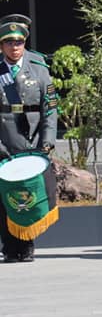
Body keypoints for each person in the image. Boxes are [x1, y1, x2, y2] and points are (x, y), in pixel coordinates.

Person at [0, 21, 57, 263]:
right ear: (2, 45)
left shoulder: (39, 69)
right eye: (10, 42)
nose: (15, 47)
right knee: (6, 197)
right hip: (5, 139)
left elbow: (50, 109)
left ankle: (26, 245)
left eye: (19, 42)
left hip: (33, 140)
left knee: (29, 193)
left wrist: (47, 141)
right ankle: (10, 246)